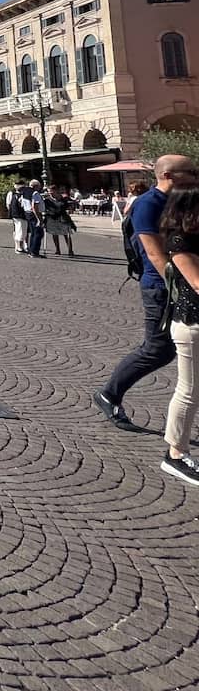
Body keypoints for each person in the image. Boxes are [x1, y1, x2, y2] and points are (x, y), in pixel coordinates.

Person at [94, 154, 199, 429]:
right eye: (191, 171)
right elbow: (154, 253)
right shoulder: (148, 204)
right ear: (169, 176)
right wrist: (184, 285)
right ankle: (109, 394)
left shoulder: (179, 200)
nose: (196, 175)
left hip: (181, 284)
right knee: (157, 350)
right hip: (161, 287)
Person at [157, 188, 199, 486]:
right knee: (189, 390)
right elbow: (197, 282)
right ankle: (175, 454)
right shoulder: (179, 241)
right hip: (192, 323)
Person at [43, 184, 76, 257]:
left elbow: (69, 206)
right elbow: (44, 209)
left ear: (56, 191)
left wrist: (70, 209)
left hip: (62, 218)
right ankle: (57, 250)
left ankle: (70, 250)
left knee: (66, 234)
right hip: (52, 218)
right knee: (54, 234)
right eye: (49, 192)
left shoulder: (63, 199)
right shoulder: (47, 200)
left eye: (52, 192)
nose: (50, 194)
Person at [6, 179, 30, 253]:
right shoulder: (12, 193)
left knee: (22, 230)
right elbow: (8, 204)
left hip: (21, 214)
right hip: (18, 214)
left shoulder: (23, 193)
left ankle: (22, 246)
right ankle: (18, 246)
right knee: (19, 230)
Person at [26, 179, 46, 257]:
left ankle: (31, 251)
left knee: (33, 233)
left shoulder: (26, 193)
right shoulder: (35, 193)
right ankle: (34, 252)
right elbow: (35, 206)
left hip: (28, 214)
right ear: (36, 186)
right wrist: (39, 218)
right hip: (35, 214)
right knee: (38, 233)